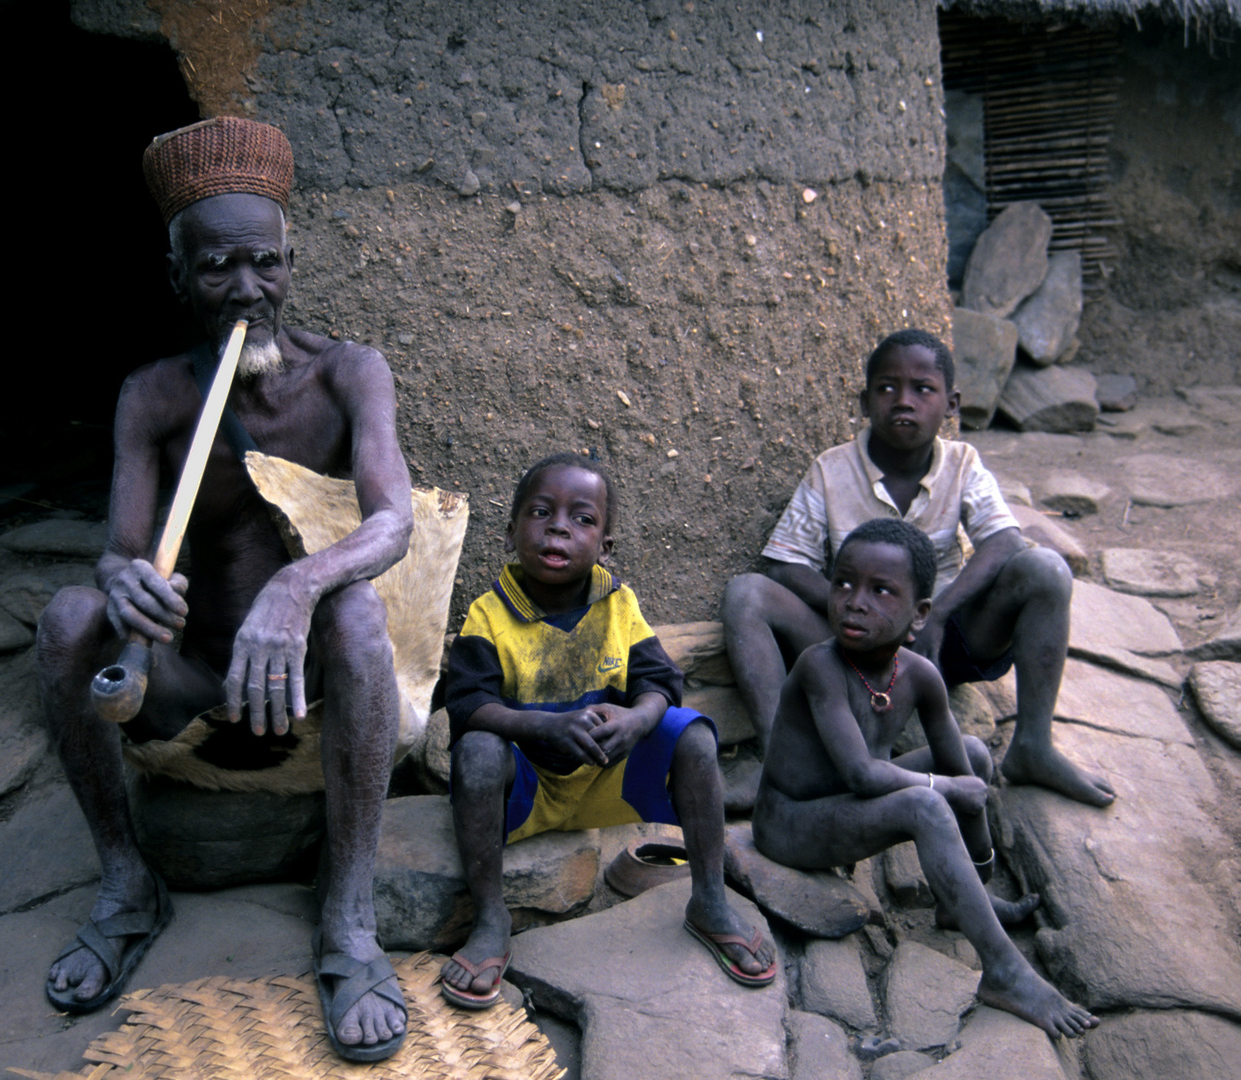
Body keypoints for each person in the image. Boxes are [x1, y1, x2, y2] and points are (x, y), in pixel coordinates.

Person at [36, 118, 412, 1062]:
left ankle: (350, 918)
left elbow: (393, 521)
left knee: (359, 613)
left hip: (311, 688)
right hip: (196, 682)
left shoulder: (350, 375)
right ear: (178, 278)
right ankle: (128, 883)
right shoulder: (154, 395)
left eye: (263, 264)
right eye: (217, 270)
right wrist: (128, 589)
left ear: (290, 260)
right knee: (68, 618)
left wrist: (299, 587)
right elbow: (117, 553)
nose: (246, 290)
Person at [721, 328, 1114, 808]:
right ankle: (780, 760)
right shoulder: (832, 470)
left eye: (922, 389)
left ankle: (1033, 745)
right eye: (887, 388)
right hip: (858, 655)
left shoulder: (962, 462)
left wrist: (939, 615)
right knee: (747, 592)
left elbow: (1005, 539)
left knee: (1046, 570)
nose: (903, 401)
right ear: (865, 401)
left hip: (941, 643)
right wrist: (863, 612)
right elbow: (784, 563)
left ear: (952, 404)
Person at [438, 453, 776, 1007]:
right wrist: (541, 727)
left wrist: (638, 719)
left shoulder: (619, 605)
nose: (559, 528)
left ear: (605, 546)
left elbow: (659, 680)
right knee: (476, 751)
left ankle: (709, 899)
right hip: (528, 794)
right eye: (541, 513)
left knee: (692, 734)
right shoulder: (488, 615)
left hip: (607, 785)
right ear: (509, 533)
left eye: (582, 519)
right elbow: (468, 703)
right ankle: (491, 917)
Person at [753, 518, 1099, 1038]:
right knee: (928, 803)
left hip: (848, 803)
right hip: (790, 823)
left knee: (976, 754)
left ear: (918, 616)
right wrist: (948, 788)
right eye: (843, 583)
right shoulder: (820, 666)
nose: (855, 601)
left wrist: (977, 867)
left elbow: (970, 781)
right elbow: (863, 774)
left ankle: (962, 904)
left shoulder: (920, 675)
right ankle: (1004, 972)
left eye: (881, 591)